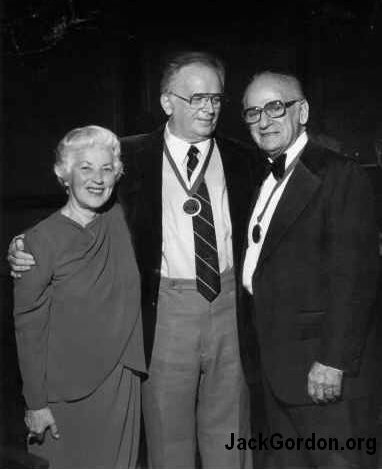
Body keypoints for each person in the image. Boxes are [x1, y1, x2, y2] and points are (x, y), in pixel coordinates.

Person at [8, 52, 263, 469]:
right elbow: (82, 201)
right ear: (167, 102)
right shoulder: (129, 158)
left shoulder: (243, 158)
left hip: (230, 309)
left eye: (216, 98)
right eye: (196, 97)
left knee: (231, 434)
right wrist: (24, 244)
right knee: (167, 438)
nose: (208, 108)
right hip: (164, 312)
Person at [241, 71, 379, 468]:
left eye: (274, 107)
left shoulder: (340, 175)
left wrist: (333, 361)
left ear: (302, 111)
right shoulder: (263, 179)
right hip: (277, 372)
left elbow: (355, 277)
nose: (263, 121)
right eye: (252, 113)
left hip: (323, 373)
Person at [12, 125, 146, 469]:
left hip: (119, 382)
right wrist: (35, 403)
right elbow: (28, 329)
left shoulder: (121, 218)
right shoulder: (39, 242)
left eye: (106, 168)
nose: (97, 178)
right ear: (64, 175)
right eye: (85, 167)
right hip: (62, 394)